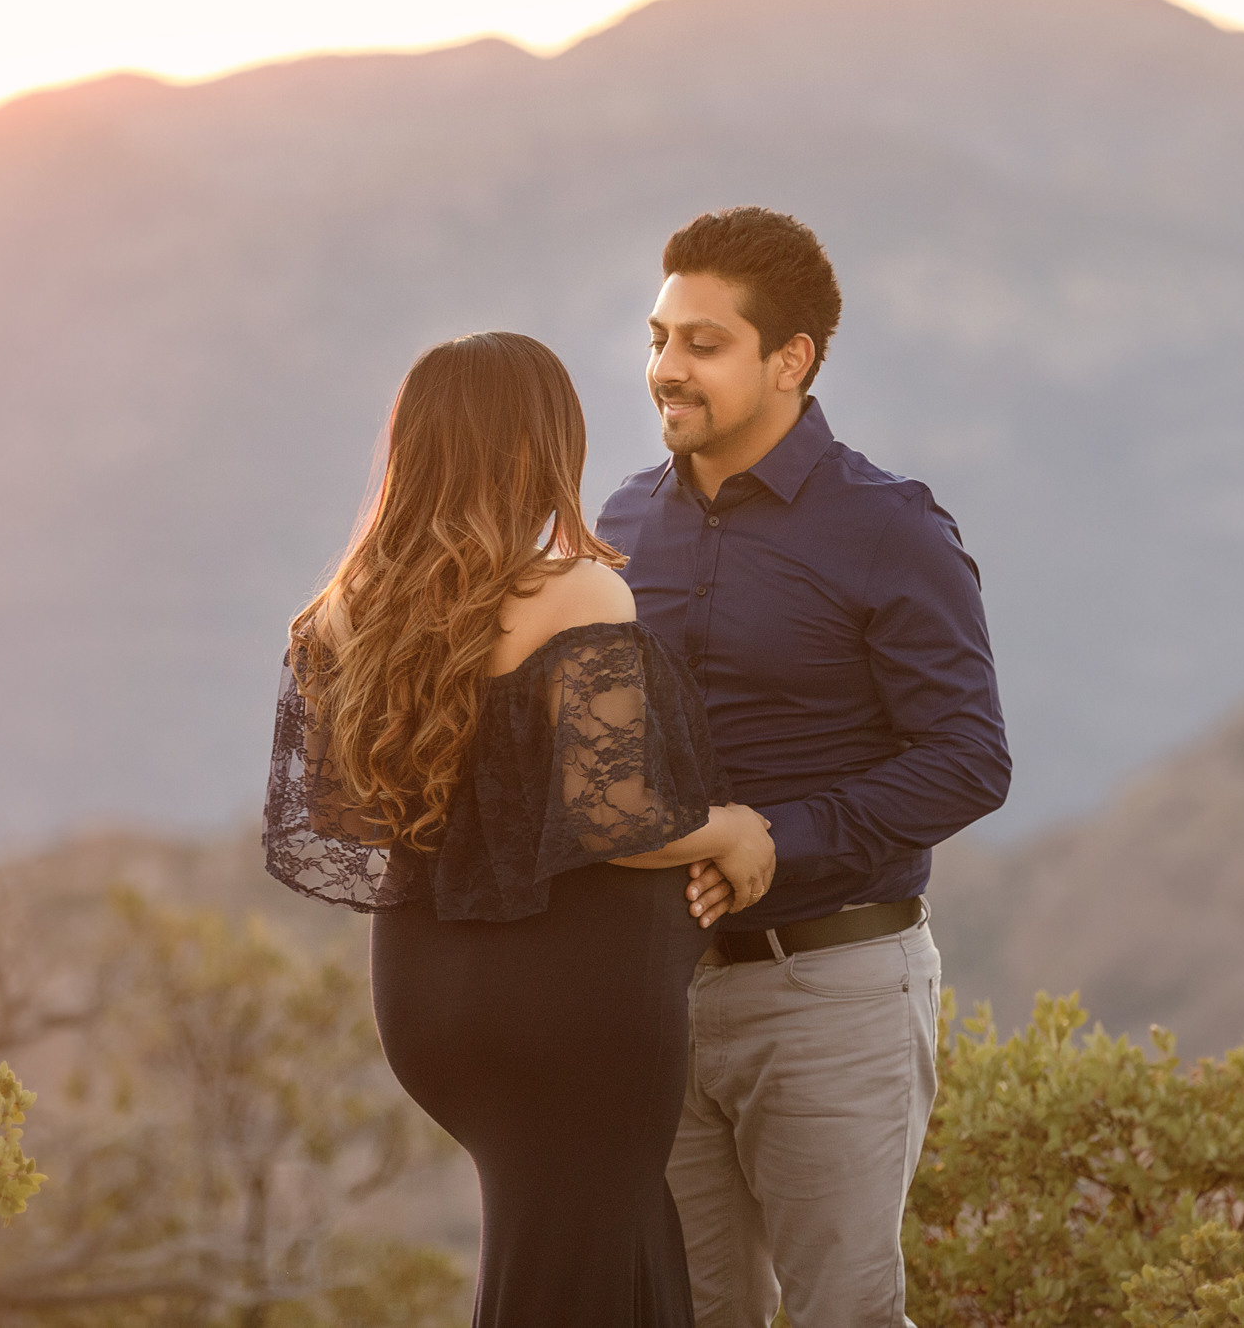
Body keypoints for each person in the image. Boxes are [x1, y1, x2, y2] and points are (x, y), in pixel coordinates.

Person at [264, 330, 778, 1327]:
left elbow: (351, 813)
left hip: (424, 1001)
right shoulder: (574, 592)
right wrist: (734, 832)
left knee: (605, 1245)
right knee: (576, 1268)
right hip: (573, 1009)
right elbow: (618, 815)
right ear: (540, 447)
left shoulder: (342, 614)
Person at [596, 208, 1011, 1328]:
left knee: (844, 1315)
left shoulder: (890, 529)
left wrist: (780, 837)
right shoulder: (622, 522)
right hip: (657, 993)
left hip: (830, 988)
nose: (665, 370)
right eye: (657, 338)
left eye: (702, 343)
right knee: (684, 1312)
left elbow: (970, 759)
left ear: (792, 361)